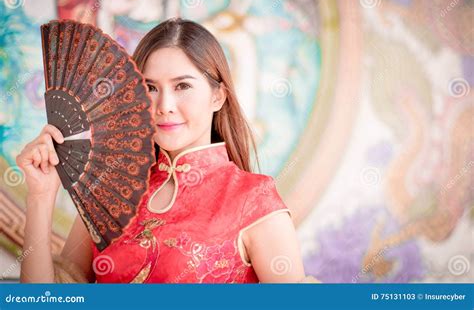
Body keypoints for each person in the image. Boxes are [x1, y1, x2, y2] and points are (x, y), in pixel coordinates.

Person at [18, 18, 313, 283]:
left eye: (182, 86)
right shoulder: (110, 195)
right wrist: (41, 196)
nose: (164, 107)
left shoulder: (254, 200)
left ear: (217, 96)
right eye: (150, 87)